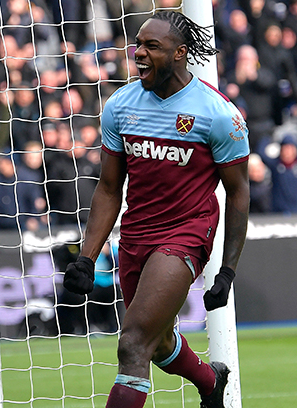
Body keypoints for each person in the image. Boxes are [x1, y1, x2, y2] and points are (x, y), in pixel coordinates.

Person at [61, 11, 250, 408]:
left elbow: (238, 193)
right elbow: (110, 187)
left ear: (180, 53)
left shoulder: (218, 115)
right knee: (159, 342)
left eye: (152, 46)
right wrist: (87, 257)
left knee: (132, 344)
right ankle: (210, 380)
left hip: (185, 235)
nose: (139, 54)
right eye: (138, 45)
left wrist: (228, 269)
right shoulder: (121, 105)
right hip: (135, 237)